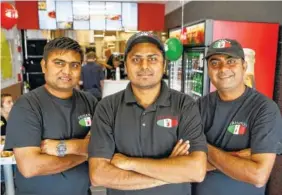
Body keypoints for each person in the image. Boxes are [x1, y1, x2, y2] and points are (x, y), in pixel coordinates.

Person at [88, 32, 207, 195]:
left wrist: (129, 163)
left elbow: (196, 171)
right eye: (136, 59)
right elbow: (99, 175)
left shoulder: (185, 105)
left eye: (152, 58)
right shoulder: (107, 108)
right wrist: (171, 171)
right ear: (126, 65)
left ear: (164, 65)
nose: (144, 66)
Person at [4, 37, 98, 195]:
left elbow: (104, 146)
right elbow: (30, 167)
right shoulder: (27, 106)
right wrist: (85, 153)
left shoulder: (89, 101)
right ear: (44, 66)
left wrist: (64, 147)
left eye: (74, 65)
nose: (67, 71)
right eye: (59, 63)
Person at [193, 39, 282, 195]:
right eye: (215, 63)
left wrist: (204, 148)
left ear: (244, 66)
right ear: (208, 69)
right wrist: (234, 158)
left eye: (231, 61)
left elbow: (258, 175)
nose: (222, 69)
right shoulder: (199, 106)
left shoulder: (264, 109)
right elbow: (188, 163)